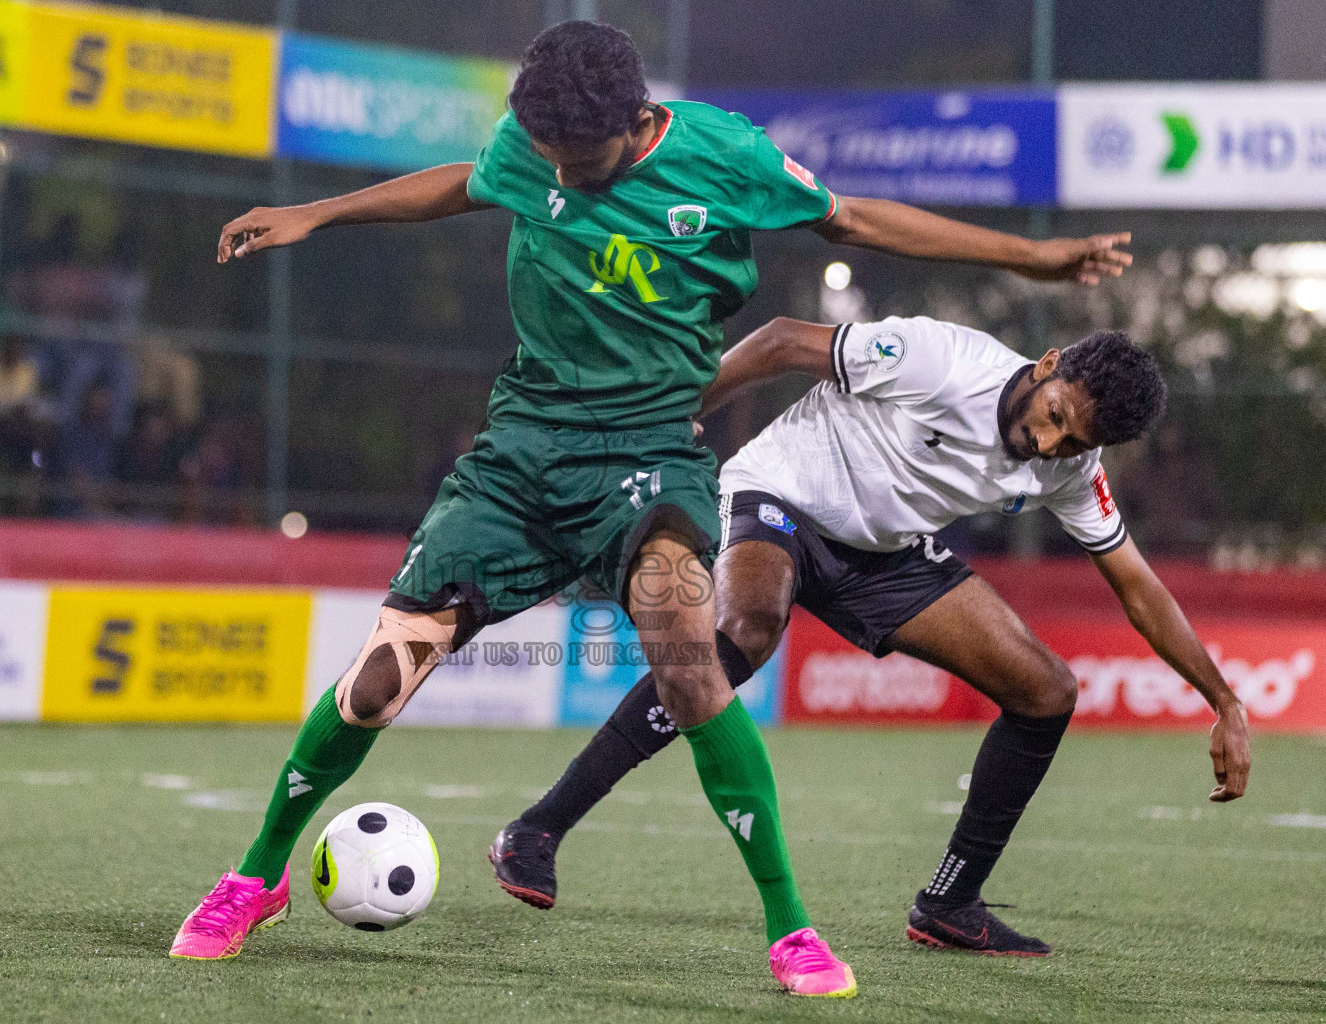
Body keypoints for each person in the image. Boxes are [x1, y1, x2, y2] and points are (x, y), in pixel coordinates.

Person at [172, 21, 1134, 996]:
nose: (554, 170)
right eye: (543, 151)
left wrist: (1032, 257)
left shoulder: (726, 155)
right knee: (379, 680)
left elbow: (857, 220)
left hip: (649, 455)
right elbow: (465, 181)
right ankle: (255, 874)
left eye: (574, 159)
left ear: (635, 124)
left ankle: (790, 928)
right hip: (520, 454)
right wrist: (318, 213)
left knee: (689, 659)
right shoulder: (536, 135)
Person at [492, 315, 1252, 957]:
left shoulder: (1069, 464)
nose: (1048, 445)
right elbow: (785, 340)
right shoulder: (942, 359)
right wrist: (673, 416)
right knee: (746, 629)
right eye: (1055, 417)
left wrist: (1223, 700)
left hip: (883, 555)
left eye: (1071, 441)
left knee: (1046, 690)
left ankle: (951, 904)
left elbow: (1138, 586)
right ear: (1048, 365)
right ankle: (537, 830)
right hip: (780, 496)